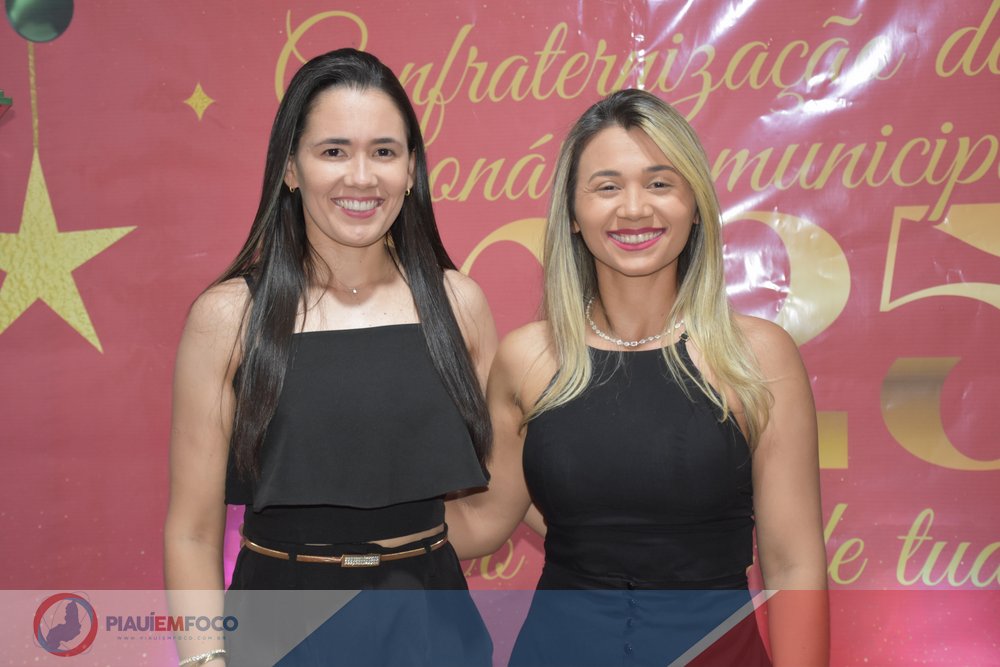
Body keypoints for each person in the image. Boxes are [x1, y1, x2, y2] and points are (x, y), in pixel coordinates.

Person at [445, 89, 829, 666]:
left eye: (659, 183)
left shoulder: (757, 357)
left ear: (695, 205)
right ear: (572, 215)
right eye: (606, 187)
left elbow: (793, 564)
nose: (633, 209)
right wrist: (348, 493)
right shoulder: (529, 358)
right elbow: (478, 523)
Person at [163, 48, 496, 667]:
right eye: (334, 151)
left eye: (384, 152)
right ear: (291, 168)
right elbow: (192, 531)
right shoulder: (228, 317)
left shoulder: (461, 305)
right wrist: (205, 659)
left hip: (433, 630)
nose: (361, 178)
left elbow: (494, 505)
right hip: (277, 631)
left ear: (412, 169)